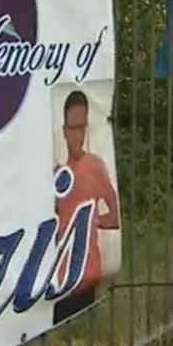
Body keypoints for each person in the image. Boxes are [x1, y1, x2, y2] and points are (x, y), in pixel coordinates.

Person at [52, 90, 119, 324]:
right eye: (73, 128)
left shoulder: (95, 166)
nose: (78, 136)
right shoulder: (56, 176)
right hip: (59, 281)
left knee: (85, 336)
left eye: (82, 128)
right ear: (64, 131)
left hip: (87, 275)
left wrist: (92, 221)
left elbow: (114, 216)